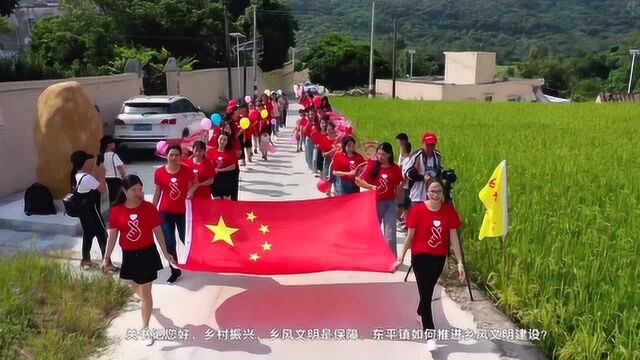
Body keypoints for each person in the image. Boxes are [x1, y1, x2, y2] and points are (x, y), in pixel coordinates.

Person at [101, 174, 177, 347]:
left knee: (146, 292)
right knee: (133, 284)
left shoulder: (149, 208)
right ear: (124, 190)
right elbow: (112, 236)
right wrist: (106, 257)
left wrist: (166, 253)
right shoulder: (117, 210)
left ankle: (145, 327)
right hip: (128, 254)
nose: (138, 193)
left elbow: (158, 231)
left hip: (147, 253)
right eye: (134, 189)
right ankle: (146, 303)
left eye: (140, 189)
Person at [393, 178, 466, 352]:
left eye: (439, 191)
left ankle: (420, 310)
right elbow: (410, 237)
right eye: (432, 191)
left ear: (443, 194)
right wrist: (401, 256)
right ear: (426, 192)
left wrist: (460, 262)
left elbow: (454, 237)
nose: (435, 194)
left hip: (438, 258)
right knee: (426, 295)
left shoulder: (448, 211)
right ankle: (430, 334)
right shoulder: (417, 210)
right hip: (420, 257)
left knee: (427, 292)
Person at [152, 144, 194, 283]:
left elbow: (195, 183)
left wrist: (192, 191)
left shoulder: (187, 170)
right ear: (166, 156)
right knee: (169, 242)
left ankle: (195, 260)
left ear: (181, 156)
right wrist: (153, 208)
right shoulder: (159, 172)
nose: (174, 157)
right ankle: (175, 270)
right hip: (165, 212)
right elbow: (158, 191)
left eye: (177, 155)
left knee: (185, 238)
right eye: (171, 155)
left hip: (183, 212)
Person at [70, 150, 117, 271]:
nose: (91, 162)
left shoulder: (77, 174)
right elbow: (102, 189)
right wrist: (102, 174)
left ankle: (85, 260)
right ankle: (106, 263)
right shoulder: (86, 178)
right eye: (88, 160)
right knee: (103, 235)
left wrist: (95, 170)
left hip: (83, 212)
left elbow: (93, 181)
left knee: (88, 234)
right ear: (84, 163)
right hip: (92, 210)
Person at [356, 142, 403, 256]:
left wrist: (400, 204)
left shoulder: (395, 168)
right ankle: (373, 254)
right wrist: (371, 187)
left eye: (383, 154)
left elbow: (397, 188)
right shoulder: (372, 165)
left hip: (390, 203)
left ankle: (391, 257)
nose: (380, 157)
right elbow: (359, 181)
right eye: (378, 154)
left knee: (390, 232)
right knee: (373, 230)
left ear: (389, 155)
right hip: (374, 202)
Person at [403, 132, 443, 206]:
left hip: (433, 197)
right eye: (428, 145)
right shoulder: (417, 155)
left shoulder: (437, 156)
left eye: (432, 145)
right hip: (417, 196)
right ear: (423, 144)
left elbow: (439, 171)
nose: (430, 147)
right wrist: (423, 177)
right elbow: (408, 173)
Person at [207, 133, 237, 199]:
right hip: (215, 180)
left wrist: (222, 170)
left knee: (226, 201)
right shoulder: (210, 152)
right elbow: (207, 164)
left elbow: (233, 166)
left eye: (225, 140)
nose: (222, 141)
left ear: (227, 142)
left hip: (226, 180)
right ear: (217, 139)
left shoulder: (230, 152)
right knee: (216, 200)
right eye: (221, 139)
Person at [100, 136, 126, 204]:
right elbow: (120, 167)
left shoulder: (101, 156)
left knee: (108, 200)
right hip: (115, 180)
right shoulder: (113, 155)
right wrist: (124, 175)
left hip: (105, 179)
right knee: (117, 200)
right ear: (109, 145)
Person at [396, 133, 413, 231]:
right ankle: (405, 223)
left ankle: (406, 225)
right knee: (405, 204)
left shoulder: (407, 159)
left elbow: (405, 174)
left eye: (399, 142)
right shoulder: (405, 156)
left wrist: (401, 184)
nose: (398, 144)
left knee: (406, 205)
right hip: (405, 185)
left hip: (406, 185)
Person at [303, 107, 318, 173]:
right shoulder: (308, 122)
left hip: (316, 140)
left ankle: (314, 168)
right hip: (309, 139)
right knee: (309, 153)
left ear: (315, 114)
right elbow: (304, 131)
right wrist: (308, 124)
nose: (312, 115)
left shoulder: (318, 122)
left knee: (315, 154)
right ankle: (311, 167)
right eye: (310, 114)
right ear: (308, 115)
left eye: (313, 114)